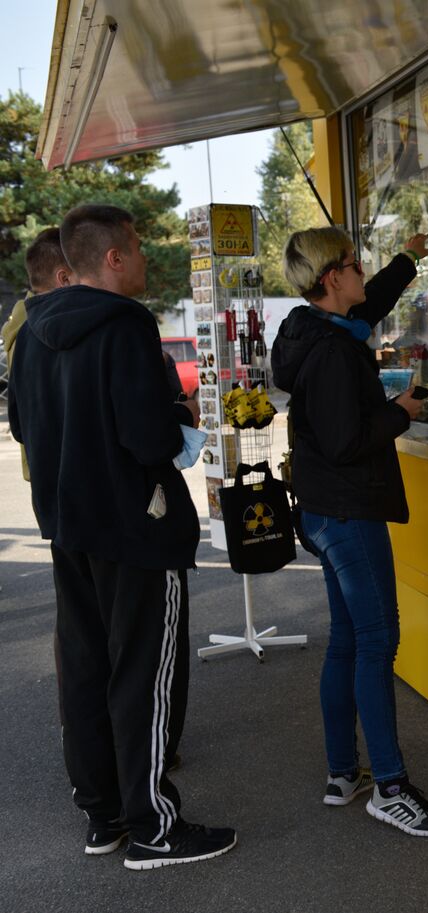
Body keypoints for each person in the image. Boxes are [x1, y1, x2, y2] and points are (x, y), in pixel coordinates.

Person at [7, 204, 235, 869]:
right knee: (143, 672)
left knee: (84, 668)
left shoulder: (30, 328)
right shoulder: (128, 326)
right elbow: (147, 436)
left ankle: (103, 814)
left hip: (67, 525)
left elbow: (22, 425)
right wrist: (177, 417)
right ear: (111, 257)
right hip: (138, 527)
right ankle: (155, 826)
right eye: (136, 247)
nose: (143, 258)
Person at [271, 228, 428, 837]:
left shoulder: (318, 329)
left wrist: (408, 259)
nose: (360, 272)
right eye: (353, 265)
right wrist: (399, 412)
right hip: (348, 513)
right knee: (376, 641)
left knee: (348, 641)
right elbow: (349, 439)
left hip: (326, 511)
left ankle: (343, 773)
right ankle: (393, 787)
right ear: (331, 280)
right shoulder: (331, 352)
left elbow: (369, 304)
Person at [2, 228, 74, 481]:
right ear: (63, 277)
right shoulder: (42, 328)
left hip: (41, 465)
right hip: (64, 468)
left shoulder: (22, 321)